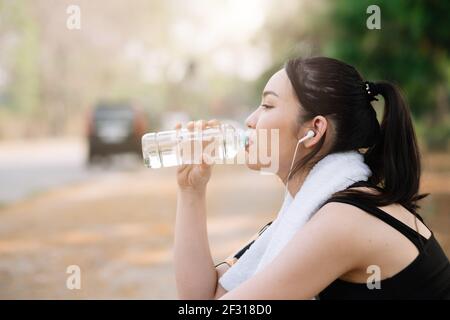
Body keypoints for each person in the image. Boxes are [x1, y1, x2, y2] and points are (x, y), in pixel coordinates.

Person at [173, 56, 450, 299]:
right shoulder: (310, 210)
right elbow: (202, 297)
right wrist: (191, 190)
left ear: (314, 130)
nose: (250, 120)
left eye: (268, 106)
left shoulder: (343, 220)